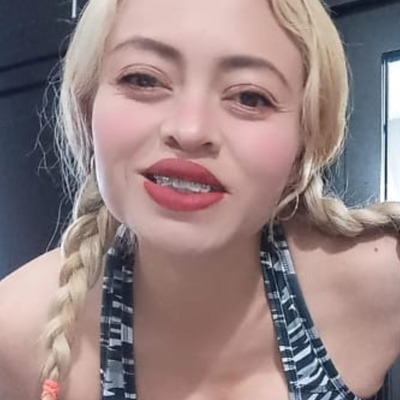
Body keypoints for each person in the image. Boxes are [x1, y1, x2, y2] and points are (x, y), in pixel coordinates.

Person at [0, 0, 399, 399]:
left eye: (250, 97)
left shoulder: (379, 284)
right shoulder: (15, 331)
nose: (190, 131)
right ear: (86, 109)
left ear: (305, 143)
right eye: (143, 79)